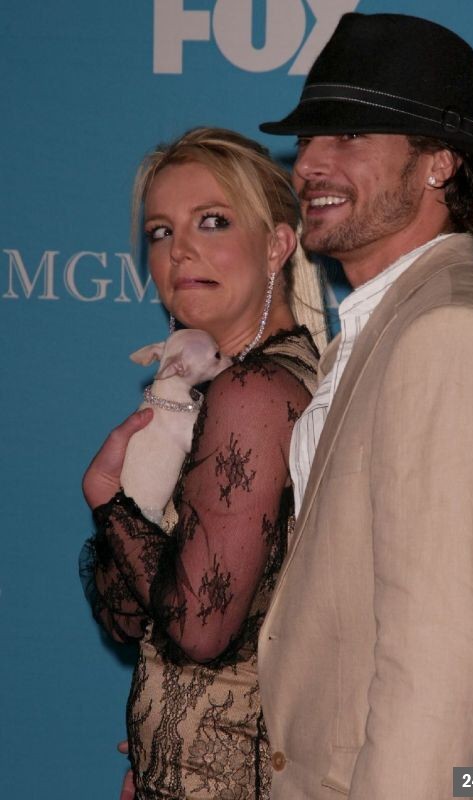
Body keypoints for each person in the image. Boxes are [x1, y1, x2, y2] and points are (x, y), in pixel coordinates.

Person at [256, 13, 473, 799]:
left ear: (438, 165)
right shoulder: (391, 329)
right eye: (307, 138)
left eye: (349, 135)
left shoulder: (448, 338)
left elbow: (440, 661)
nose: (308, 164)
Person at [81, 126, 326, 800]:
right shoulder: (219, 389)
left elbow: (195, 628)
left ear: (278, 244)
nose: (179, 249)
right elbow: (130, 619)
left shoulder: (253, 395)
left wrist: (107, 499)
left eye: (212, 221)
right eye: (160, 232)